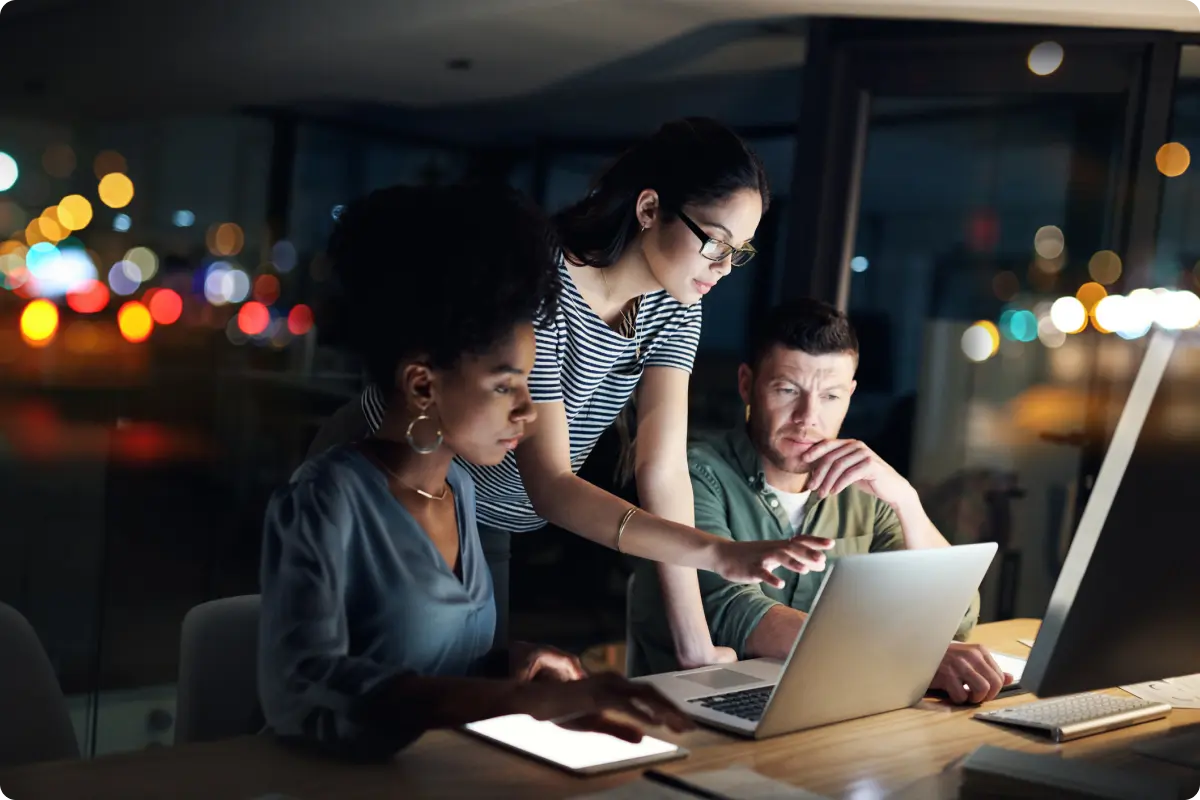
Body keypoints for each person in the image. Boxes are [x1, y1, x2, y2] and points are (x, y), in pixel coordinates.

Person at [309, 117, 832, 667]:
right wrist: (716, 552)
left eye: (740, 251)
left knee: (472, 681)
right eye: (715, 242)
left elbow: (664, 471)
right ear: (650, 209)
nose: (725, 268)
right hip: (401, 466)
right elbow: (552, 484)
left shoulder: (677, 306)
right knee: (363, 671)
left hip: (489, 508)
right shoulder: (542, 283)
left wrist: (694, 643)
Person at [258, 184, 693, 760]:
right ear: (422, 385)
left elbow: (438, 661)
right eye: (504, 385)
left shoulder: (458, 490)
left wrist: (518, 666)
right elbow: (303, 690)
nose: (528, 410)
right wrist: (516, 703)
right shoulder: (325, 500)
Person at [628, 299, 1011, 706]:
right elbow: (727, 610)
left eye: (830, 396)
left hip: (826, 705)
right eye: (787, 390)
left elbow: (957, 615)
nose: (807, 416)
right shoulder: (694, 475)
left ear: (850, 395)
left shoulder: (865, 489)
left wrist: (907, 500)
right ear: (747, 384)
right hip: (693, 714)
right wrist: (899, 655)